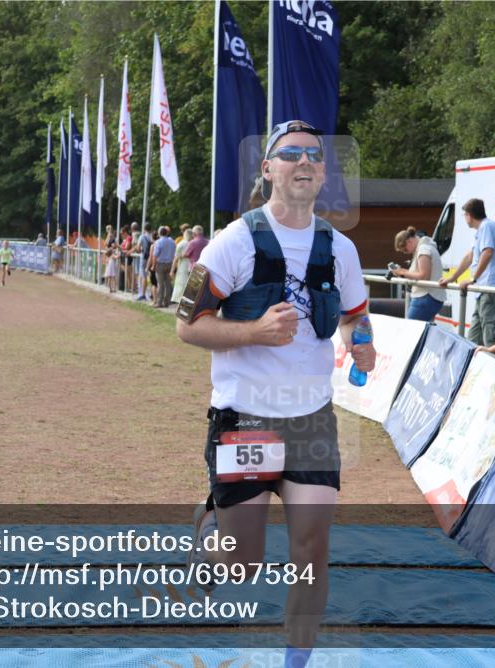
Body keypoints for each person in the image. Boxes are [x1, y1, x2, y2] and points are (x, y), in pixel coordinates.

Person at [176, 120, 375, 664]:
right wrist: (254, 332)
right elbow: (186, 325)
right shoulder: (232, 242)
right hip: (246, 421)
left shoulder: (341, 248)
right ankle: (211, 532)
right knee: (242, 563)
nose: (304, 161)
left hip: (312, 420)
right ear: (267, 169)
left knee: (312, 552)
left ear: (323, 172)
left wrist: (361, 344)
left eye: (314, 154)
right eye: (291, 154)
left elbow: (355, 316)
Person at [438, 198, 495, 347]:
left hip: (491, 289)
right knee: (473, 341)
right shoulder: (482, 230)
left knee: (492, 342)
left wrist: (473, 279)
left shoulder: (486, 227)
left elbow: (488, 251)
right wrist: (452, 278)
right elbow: (470, 256)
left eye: (465, 215)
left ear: (469, 215)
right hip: (484, 291)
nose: (465, 218)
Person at [392, 226, 447, 322]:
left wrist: (403, 272)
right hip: (429, 297)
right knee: (423, 329)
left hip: (425, 296)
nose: (405, 253)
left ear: (409, 241)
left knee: (411, 328)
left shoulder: (423, 250)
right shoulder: (425, 247)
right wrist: (402, 271)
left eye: (405, 249)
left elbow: (424, 276)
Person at [152, 225, 176, 308]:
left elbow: (155, 255)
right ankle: (167, 302)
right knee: (168, 284)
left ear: (159, 233)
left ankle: (159, 302)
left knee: (160, 284)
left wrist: (153, 265)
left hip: (160, 264)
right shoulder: (172, 242)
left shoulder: (158, 242)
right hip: (170, 264)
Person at [171, 227, 193, 304]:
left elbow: (176, 258)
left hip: (183, 264)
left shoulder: (181, 244)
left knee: (181, 283)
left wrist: (172, 270)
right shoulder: (193, 243)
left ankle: (179, 299)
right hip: (191, 264)